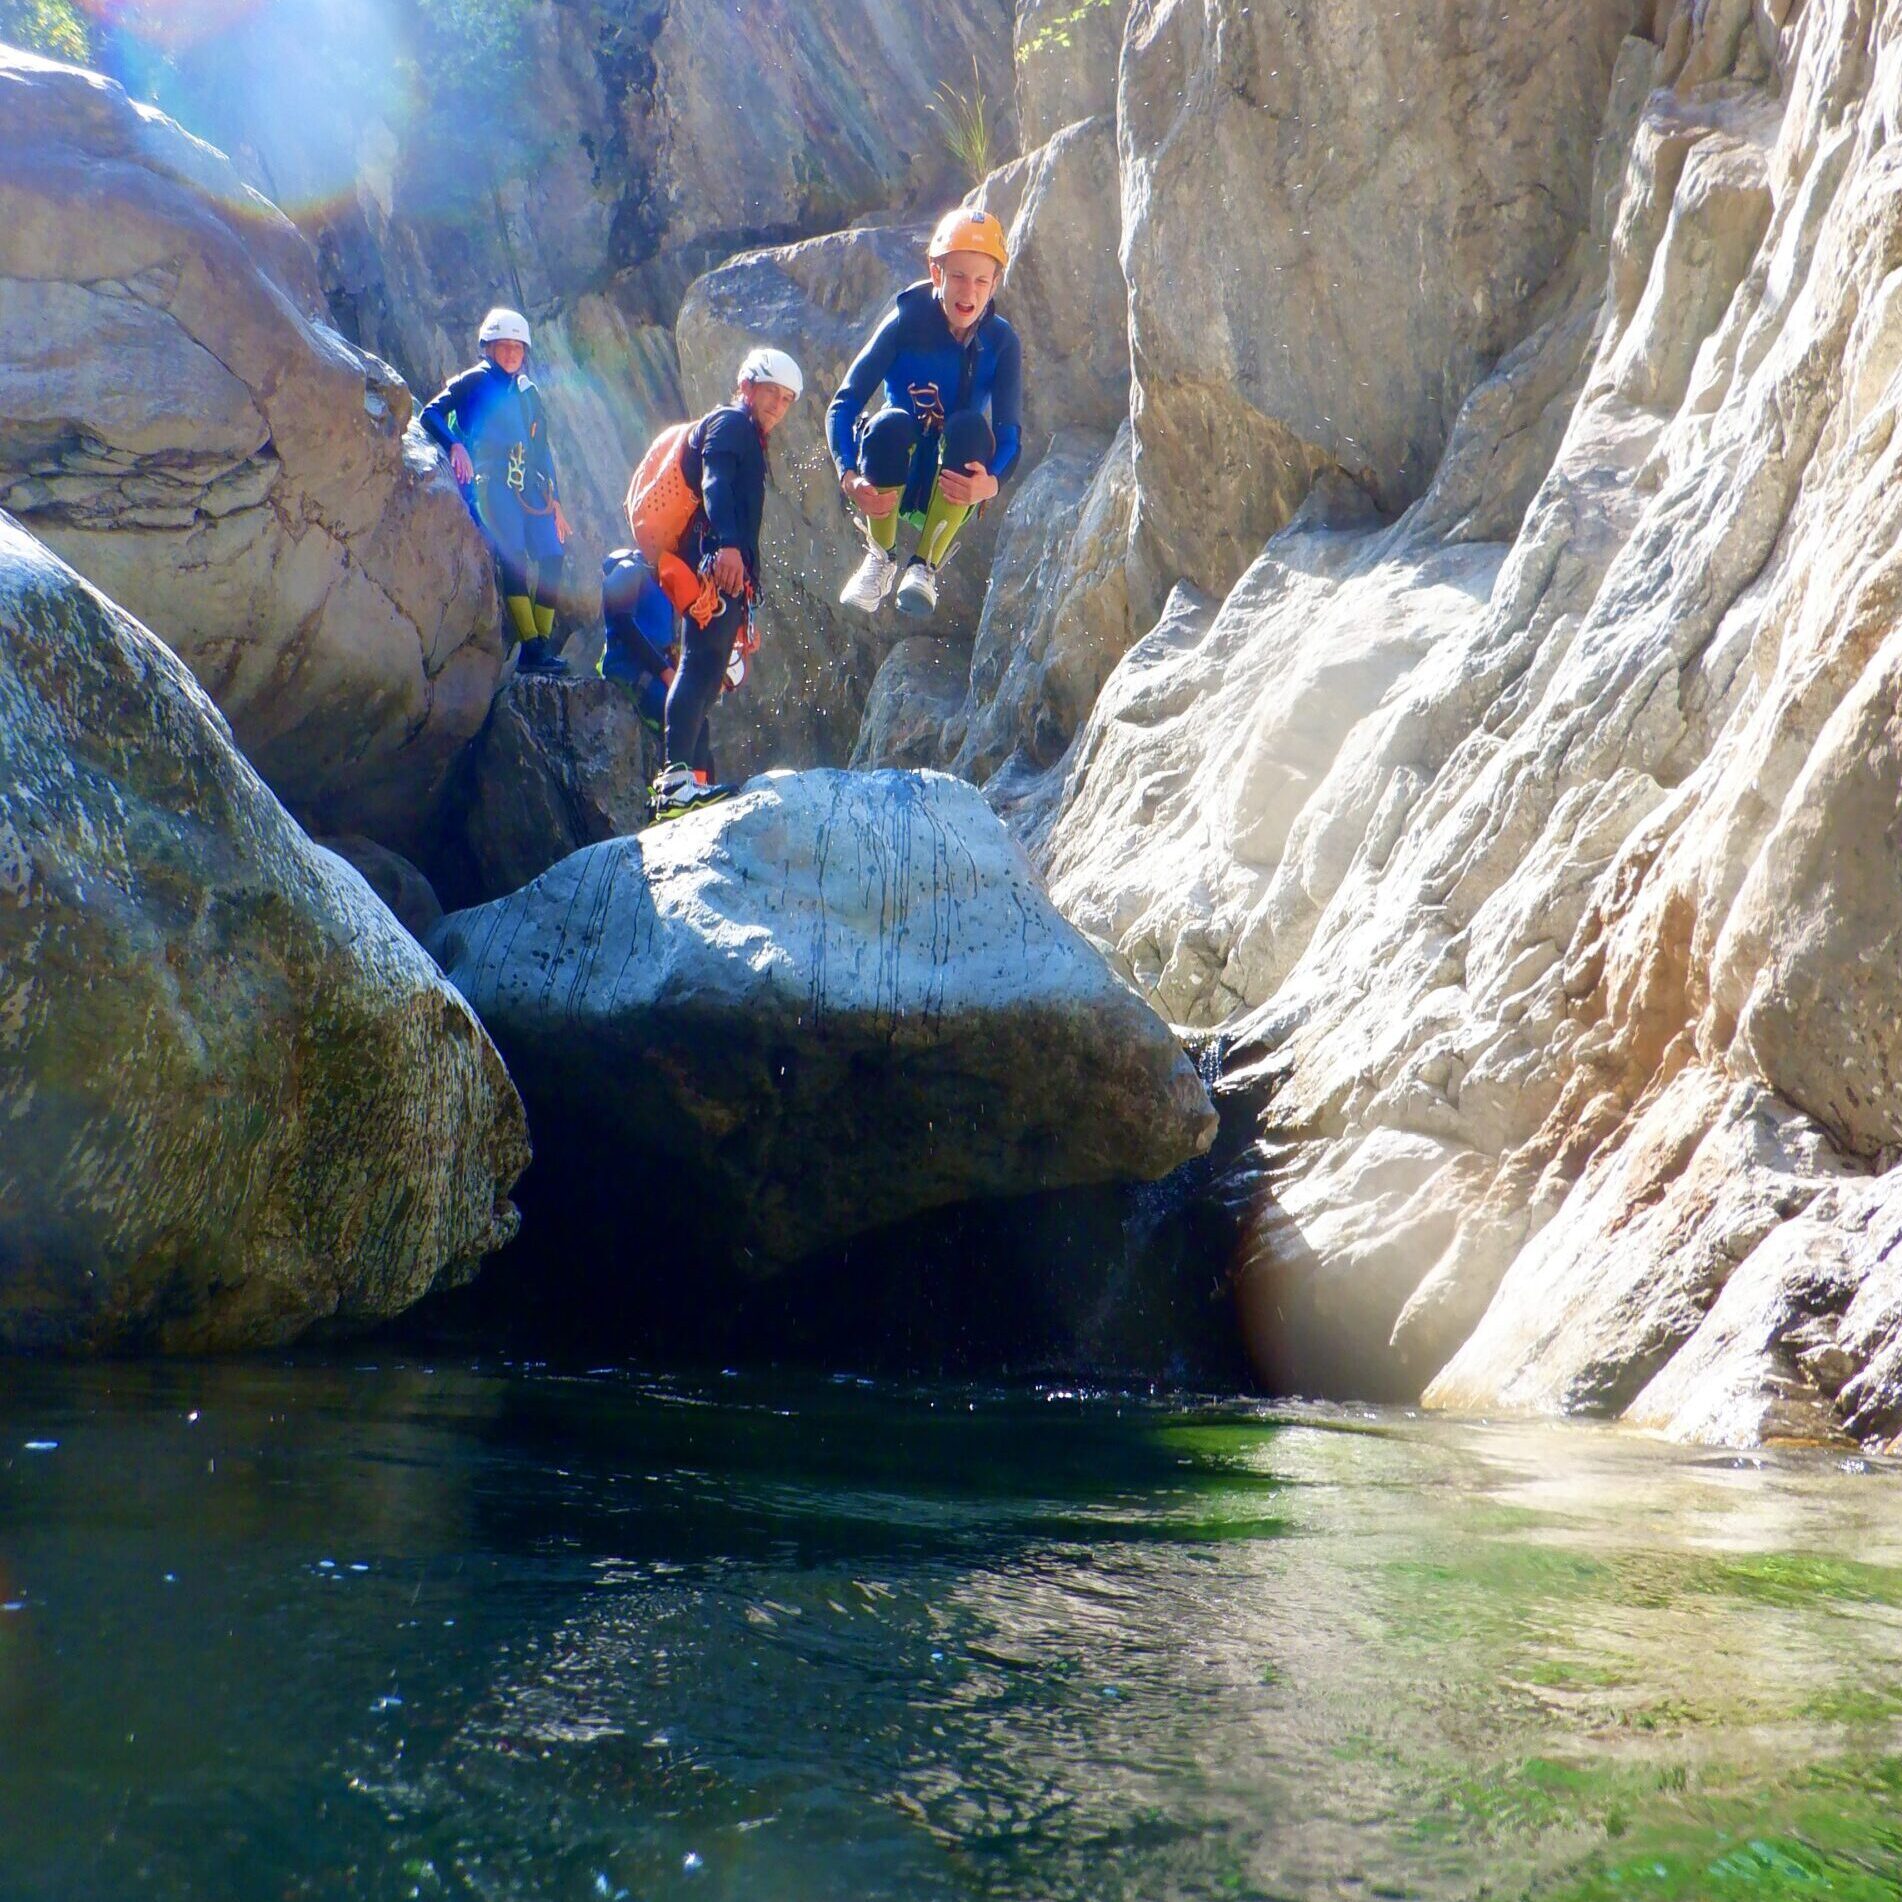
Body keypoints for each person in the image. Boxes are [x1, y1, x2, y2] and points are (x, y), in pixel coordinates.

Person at [622, 346, 803, 822]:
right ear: (747, 387)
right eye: (771, 394)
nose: (778, 407)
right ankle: (676, 782)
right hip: (710, 561)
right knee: (700, 667)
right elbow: (716, 483)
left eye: (787, 399)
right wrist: (725, 545)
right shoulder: (731, 423)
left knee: (706, 674)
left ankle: (692, 785)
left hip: (712, 566)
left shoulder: (746, 435)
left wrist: (745, 600)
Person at [828, 208, 1022, 621]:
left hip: (950, 483)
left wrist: (990, 485)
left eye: (981, 280)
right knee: (889, 422)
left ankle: (923, 567)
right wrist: (848, 474)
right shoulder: (906, 321)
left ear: (994, 285)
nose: (968, 291)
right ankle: (881, 557)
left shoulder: (1001, 341)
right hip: (896, 468)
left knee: (970, 425)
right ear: (936, 274)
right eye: (958, 276)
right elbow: (844, 404)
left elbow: (1009, 435)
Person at [420, 306, 572, 677]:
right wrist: (455, 444)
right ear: (487, 348)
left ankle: (541, 644)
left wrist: (555, 503)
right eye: (503, 347)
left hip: (529, 486)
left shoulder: (528, 392)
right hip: (491, 483)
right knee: (515, 556)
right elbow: (431, 413)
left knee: (553, 554)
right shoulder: (473, 380)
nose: (510, 354)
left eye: (517, 348)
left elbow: (542, 450)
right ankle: (532, 647)